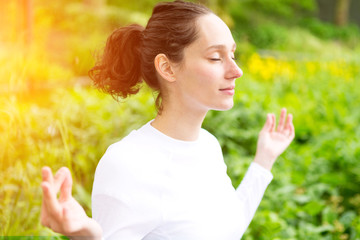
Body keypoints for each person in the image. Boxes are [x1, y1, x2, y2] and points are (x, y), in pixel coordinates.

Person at [40, 1, 295, 239]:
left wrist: (264, 160)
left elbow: (226, 229)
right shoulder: (127, 163)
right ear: (167, 67)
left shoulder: (207, 146)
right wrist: (88, 233)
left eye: (232, 55)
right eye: (216, 57)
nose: (236, 70)